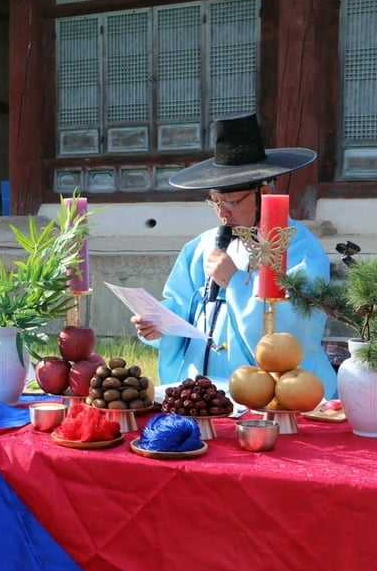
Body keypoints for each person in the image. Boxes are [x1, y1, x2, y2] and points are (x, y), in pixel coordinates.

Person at [131, 113, 337, 398]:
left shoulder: (299, 247)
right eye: (215, 201)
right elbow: (179, 304)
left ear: (263, 193)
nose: (221, 213)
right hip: (200, 386)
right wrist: (158, 325)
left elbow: (298, 325)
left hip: (266, 389)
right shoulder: (201, 246)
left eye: (230, 202)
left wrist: (236, 282)